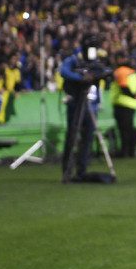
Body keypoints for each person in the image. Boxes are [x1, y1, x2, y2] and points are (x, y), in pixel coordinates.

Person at [60, 42, 100, 179]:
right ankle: (67, 171)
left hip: (90, 104)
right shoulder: (72, 61)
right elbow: (63, 72)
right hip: (76, 103)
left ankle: (81, 170)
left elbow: (100, 73)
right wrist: (81, 78)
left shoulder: (93, 62)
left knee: (88, 138)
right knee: (72, 137)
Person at [110, 49, 136, 158]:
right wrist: (135, 96)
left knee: (124, 130)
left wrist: (132, 96)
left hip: (122, 104)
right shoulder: (133, 72)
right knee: (129, 128)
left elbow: (124, 87)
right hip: (132, 104)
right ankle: (131, 151)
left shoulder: (121, 71)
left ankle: (125, 152)